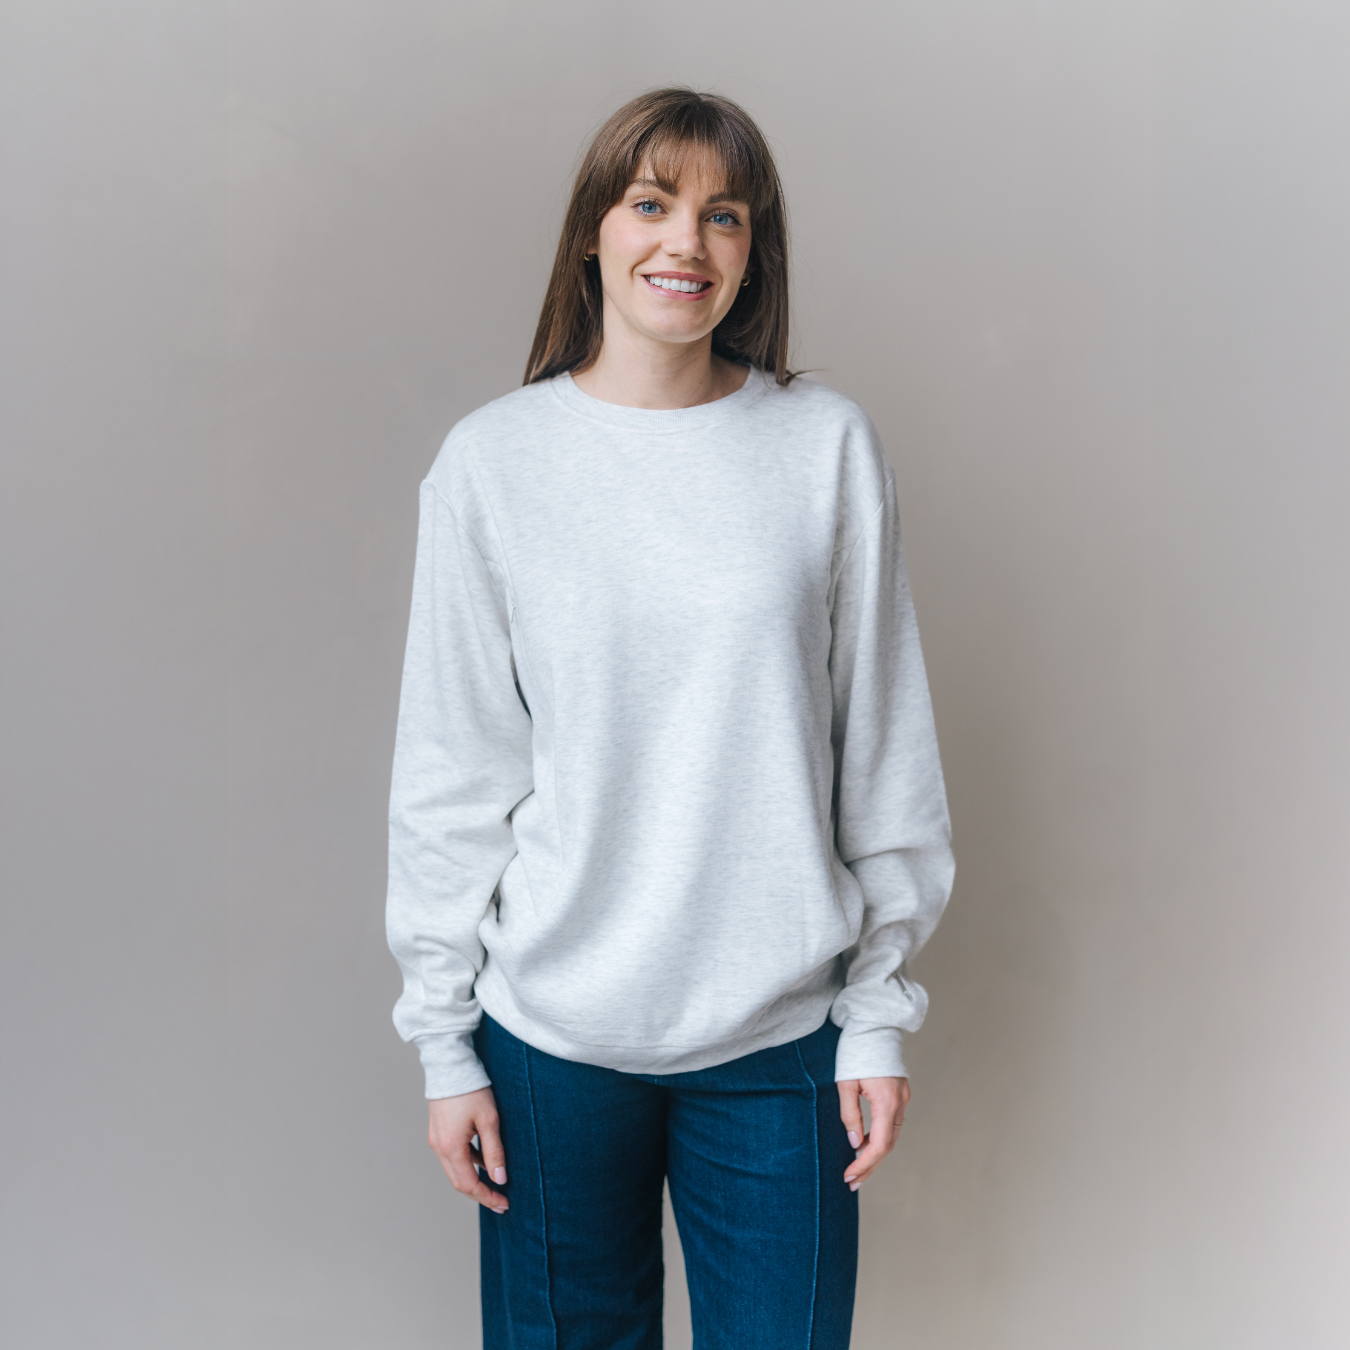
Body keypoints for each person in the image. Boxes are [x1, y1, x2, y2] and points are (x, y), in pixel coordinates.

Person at [386, 87, 954, 1350]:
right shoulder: (493, 463)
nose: (685, 241)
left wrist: (876, 1013)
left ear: (754, 253)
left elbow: (884, 751)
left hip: (781, 1036)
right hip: (550, 1040)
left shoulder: (824, 448)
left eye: (723, 215)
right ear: (593, 232)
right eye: (652, 204)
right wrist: (443, 1043)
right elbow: (453, 771)